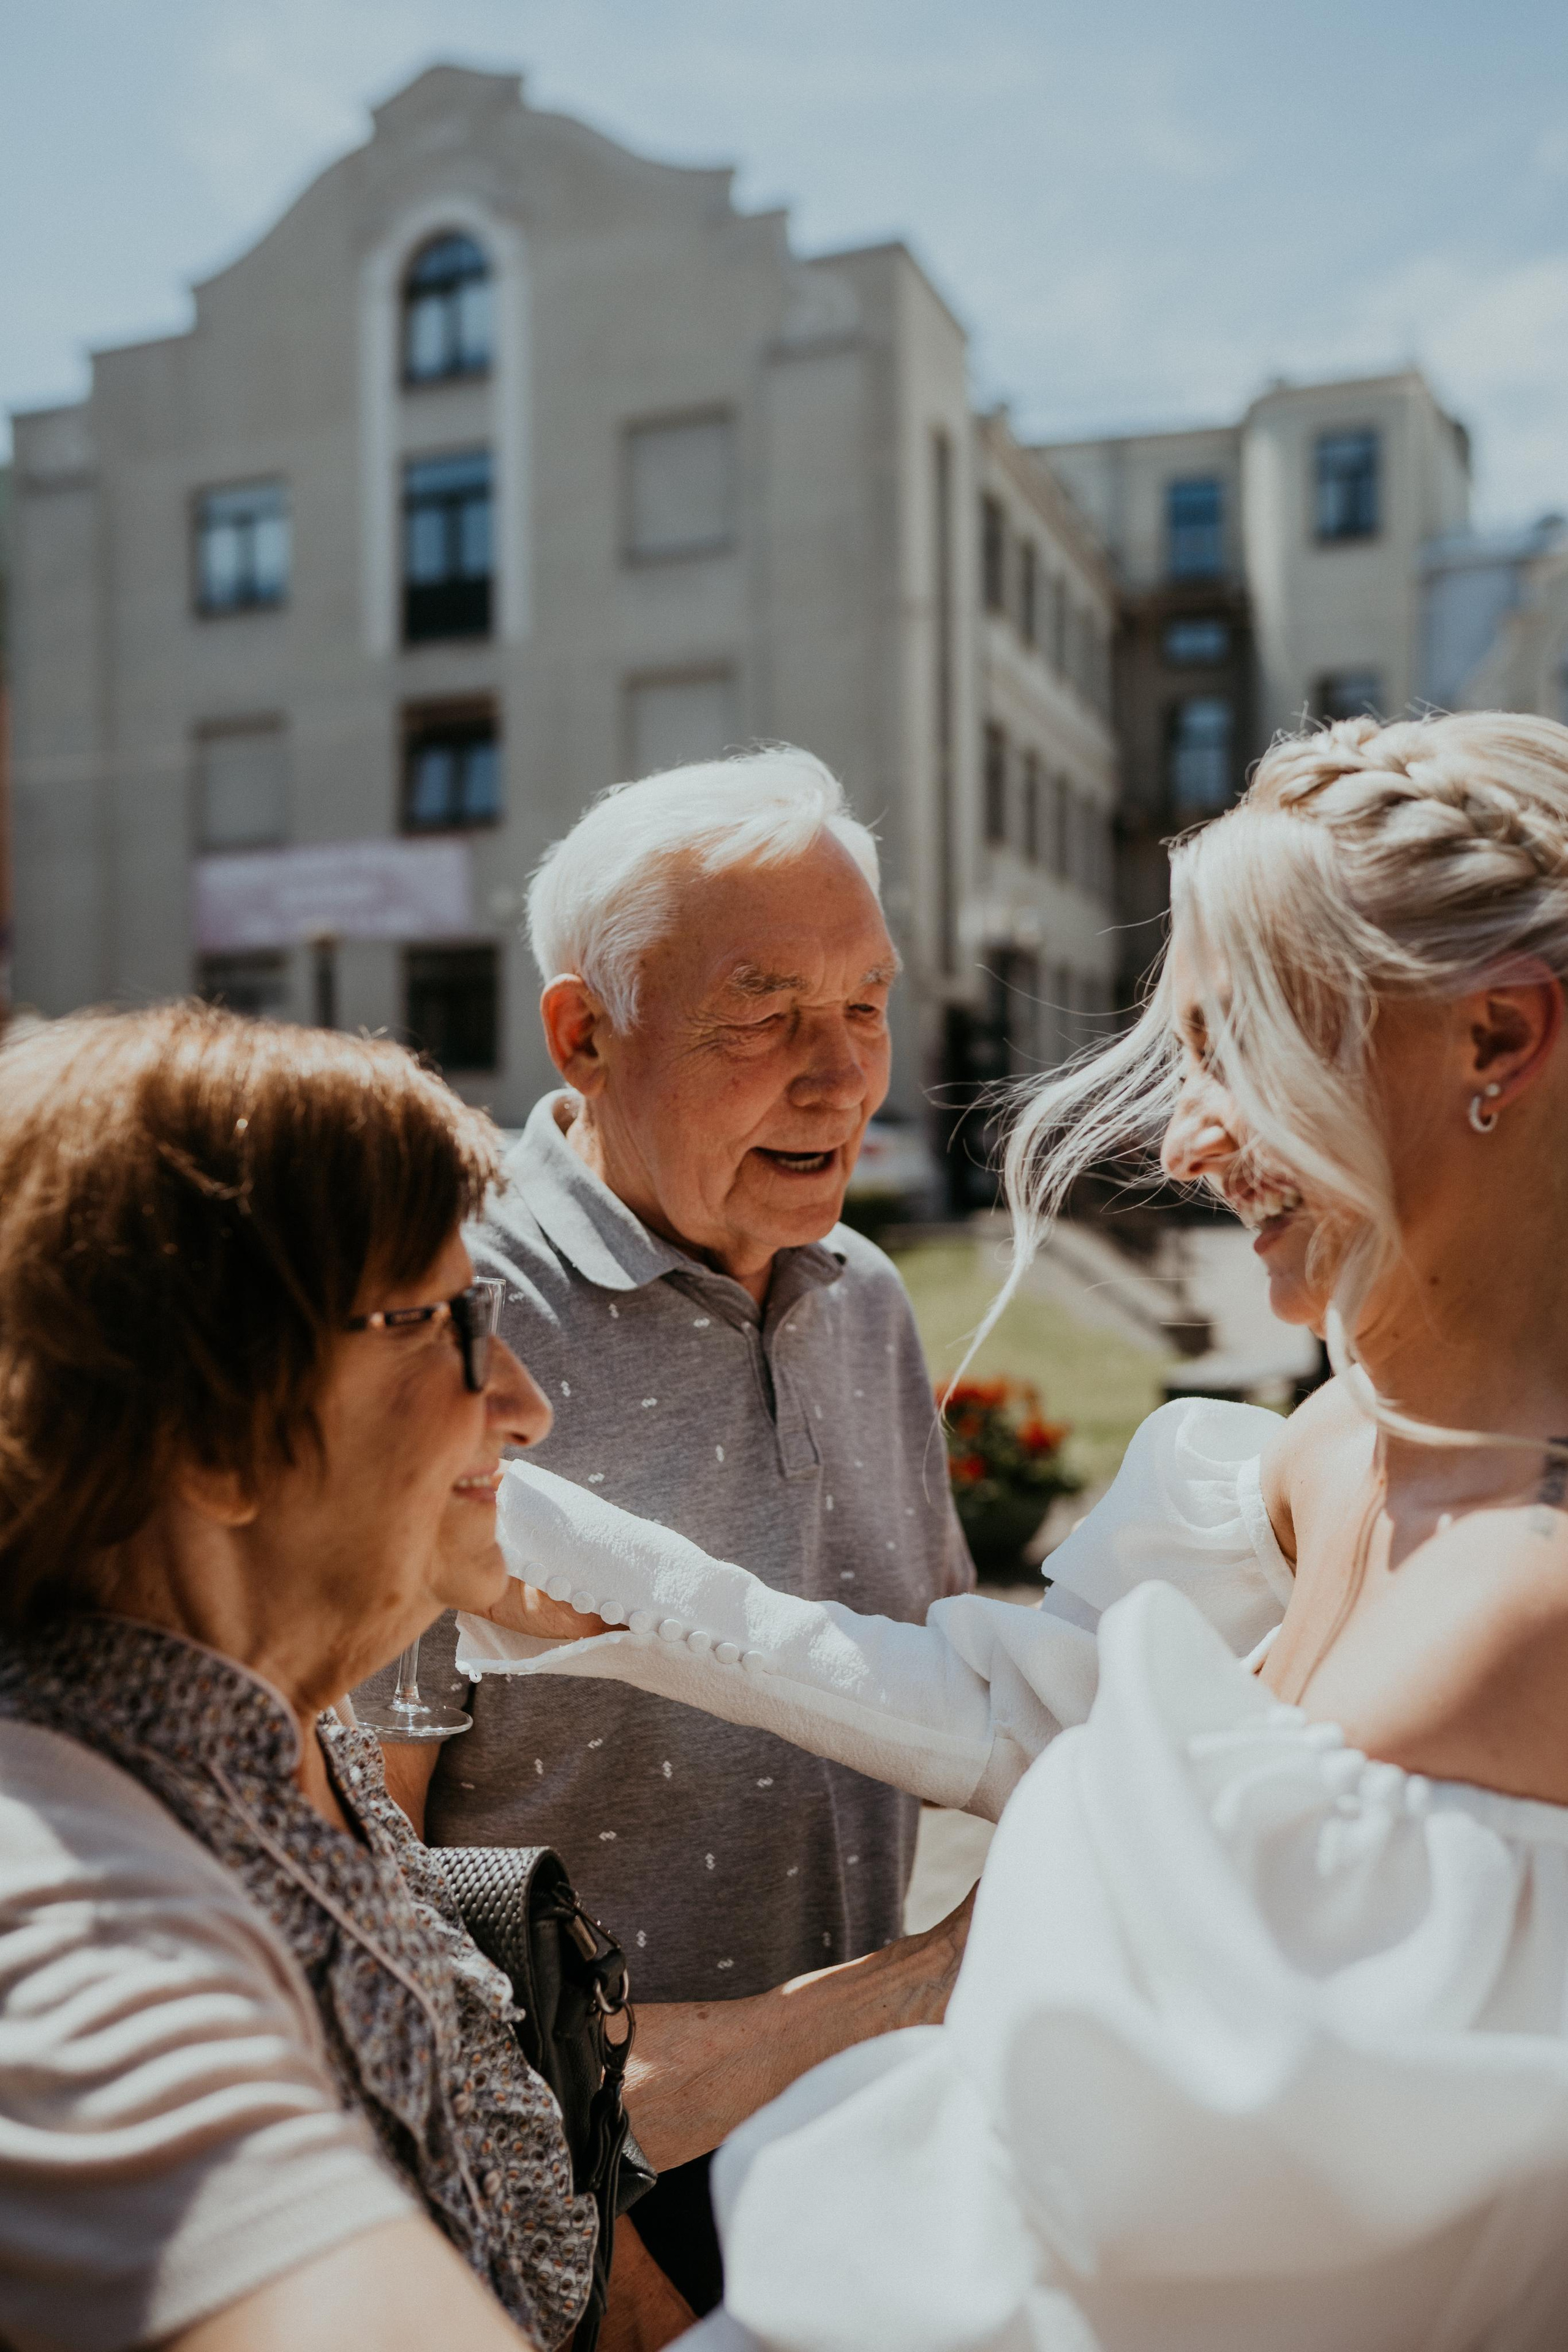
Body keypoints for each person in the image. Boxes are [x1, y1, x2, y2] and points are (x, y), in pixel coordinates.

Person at [467, 711, 1568, 2348]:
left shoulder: (1515, 1623)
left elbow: (1097, 2268)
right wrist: (549, 1546)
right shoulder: (1318, 1455)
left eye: (1244, 1048)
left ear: (1497, 1037)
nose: (1190, 1145)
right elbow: (1016, 1708)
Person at [0, 1003, 970, 2352]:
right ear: (208, 1432)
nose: (521, 1402)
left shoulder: (283, 1742)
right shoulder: (70, 1894)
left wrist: (922, 1985)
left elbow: (504, 2154)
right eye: (442, 1328)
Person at [360, 748, 973, 2305]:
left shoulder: (869, 1302)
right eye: (763, 1014)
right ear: (583, 1030)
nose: (840, 1076)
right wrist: (596, 2257)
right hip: (572, 2202)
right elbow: (352, 1870)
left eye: (865, 1005)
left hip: (859, 2151)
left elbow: (934, 1691)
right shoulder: (453, 1321)